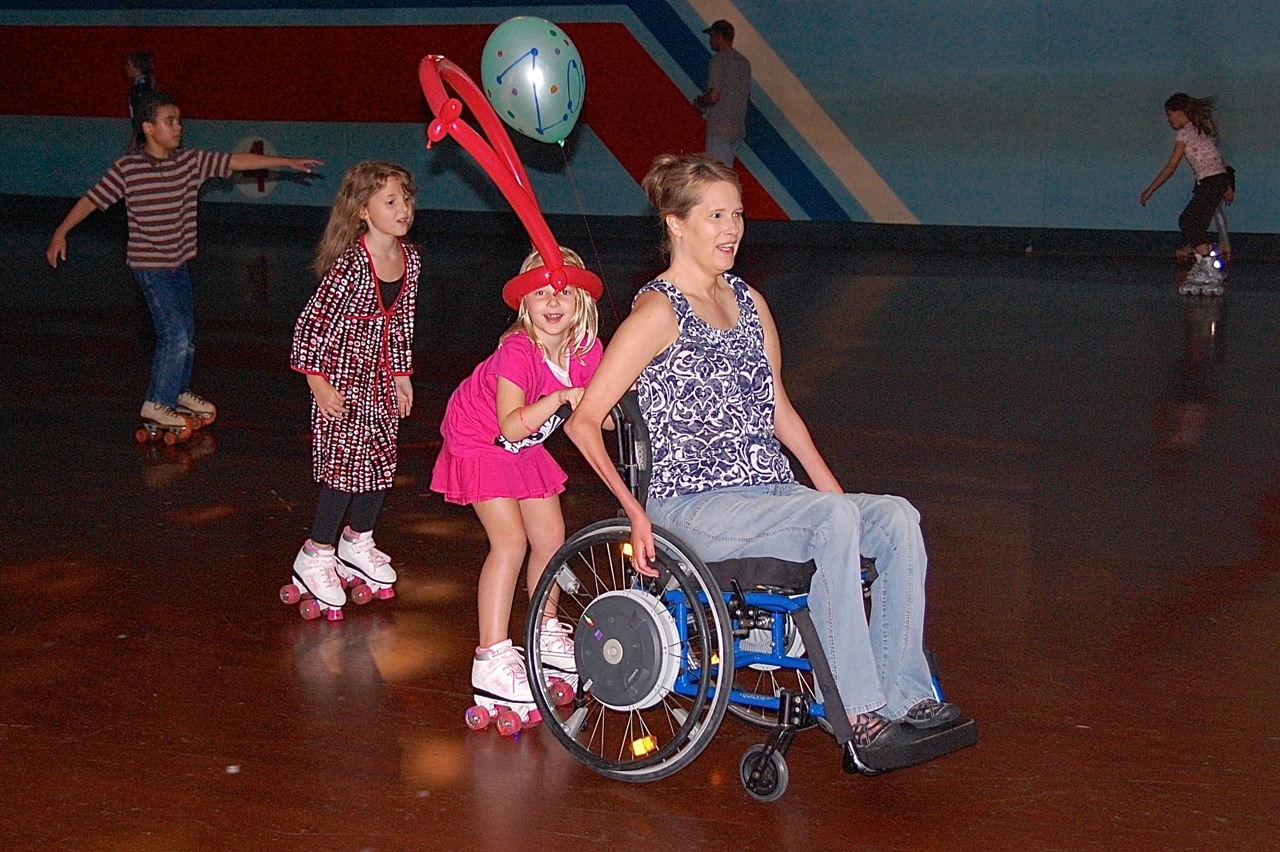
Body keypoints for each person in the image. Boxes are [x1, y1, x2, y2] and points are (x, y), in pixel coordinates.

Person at [564, 153, 963, 772]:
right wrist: (635, 515)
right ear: (675, 223)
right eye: (716, 216)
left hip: (770, 494)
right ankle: (859, 715)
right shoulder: (657, 314)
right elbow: (585, 423)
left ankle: (906, 695)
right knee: (830, 525)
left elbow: (778, 409)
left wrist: (834, 492)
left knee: (895, 517)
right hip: (693, 504)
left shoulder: (750, 301)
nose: (732, 229)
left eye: (738, 216)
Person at [45, 91, 322, 437]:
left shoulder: (190, 162)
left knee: (186, 336)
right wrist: (61, 232)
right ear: (148, 127)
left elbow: (234, 161)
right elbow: (91, 200)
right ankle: (156, 401)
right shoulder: (127, 169)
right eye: (169, 121)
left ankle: (175, 392)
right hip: (150, 267)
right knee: (173, 334)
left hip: (178, 264)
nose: (178, 128)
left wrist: (285, 162)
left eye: (179, 120)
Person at [430, 247, 604, 725]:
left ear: (581, 303)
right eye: (540, 294)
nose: (552, 302)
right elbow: (509, 426)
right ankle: (492, 656)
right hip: (481, 437)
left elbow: (600, 414)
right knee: (510, 542)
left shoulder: (585, 351)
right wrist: (559, 399)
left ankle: (544, 631)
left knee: (551, 539)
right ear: (523, 306)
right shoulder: (517, 351)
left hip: (523, 443)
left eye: (563, 294)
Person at [289, 161, 421, 619]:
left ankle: (357, 540)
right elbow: (309, 325)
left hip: (382, 380)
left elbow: (402, 322)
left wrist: (402, 374)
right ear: (363, 211)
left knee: (382, 465)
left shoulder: (411, 260)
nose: (403, 208)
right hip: (341, 381)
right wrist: (317, 383)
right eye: (390, 201)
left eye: (406, 199)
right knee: (343, 471)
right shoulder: (350, 265)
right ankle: (316, 552)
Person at [1141, 93, 1231, 293]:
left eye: (1170, 115)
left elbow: (1171, 167)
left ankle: (1208, 268)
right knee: (1191, 222)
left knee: (1189, 222)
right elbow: (1217, 158)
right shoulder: (1199, 130)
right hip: (1216, 180)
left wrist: (1150, 189)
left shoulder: (1185, 134)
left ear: (1180, 113)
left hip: (1212, 181)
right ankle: (1205, 265)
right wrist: (1226, 184)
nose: (1168, 119)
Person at [693, 19, 751, 167]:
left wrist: (700, 103)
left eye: (711, 36)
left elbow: (713, 96)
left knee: (716, 174)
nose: (710, 41)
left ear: (718, 37)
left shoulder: (718, 61)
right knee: (726, 172)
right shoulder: (743, 63)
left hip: (720, 129)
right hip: (737, 129)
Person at [125, 51, 156, 122]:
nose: (126, 68)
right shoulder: (147, 86)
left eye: (129, 65)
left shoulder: (141, 89)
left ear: (137, 68)